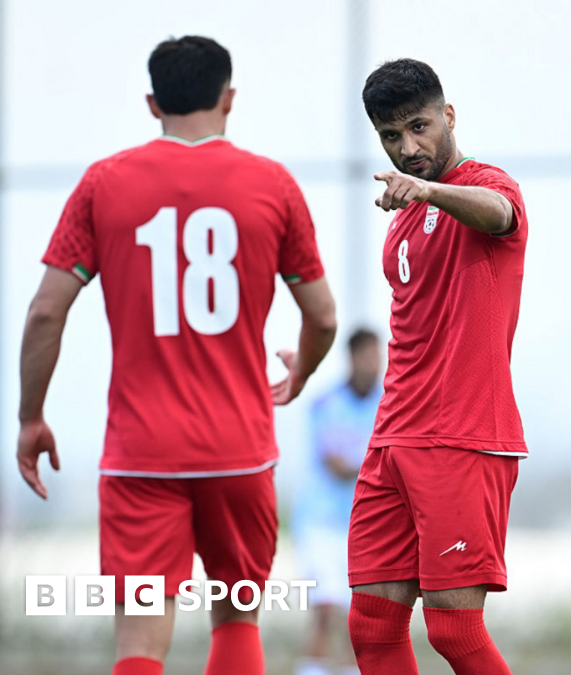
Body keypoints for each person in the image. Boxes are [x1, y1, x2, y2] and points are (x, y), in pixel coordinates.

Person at [15, 36, 337, 675]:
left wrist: (31, 416)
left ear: (152, 103)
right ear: (229, 98)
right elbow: (323, 317)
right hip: (240, 450)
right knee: (237, 619)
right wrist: (301, 368)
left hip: (141, 453)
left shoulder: (104, 183)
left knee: (139, 645)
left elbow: (46, 311)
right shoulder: (272, 185)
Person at [346, 58, 529, 675]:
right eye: (391, 136)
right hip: (392, 437)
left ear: (448, 115)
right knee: (371, 627)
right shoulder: (400, 219)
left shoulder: (486, 186)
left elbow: (498, 212)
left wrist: (430, 192)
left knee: (453, 629)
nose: (408, 148)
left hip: (461, 438)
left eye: (419, 127)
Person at [293, 329, 383, 675]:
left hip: (364, 526)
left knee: (358, 614)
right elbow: (336, 465)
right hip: (321, 523)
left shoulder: (388, 405)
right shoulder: (326, 403)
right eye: (367, 356)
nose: (374, 363)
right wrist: (379, 465)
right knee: (325, 608)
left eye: (377, 356)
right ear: (353, 358)